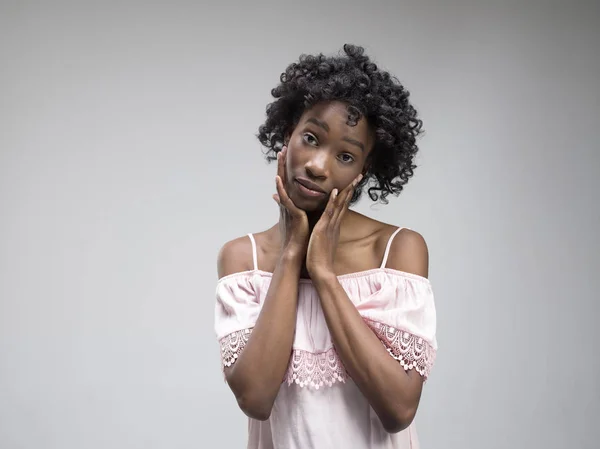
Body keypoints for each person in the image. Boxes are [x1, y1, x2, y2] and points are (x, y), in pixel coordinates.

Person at [214, 44, 437, 449]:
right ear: (288, 135)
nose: (318, 165)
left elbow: (398, 410)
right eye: (311, 138)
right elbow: (256, 398)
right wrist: (291, 256)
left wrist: (324, 274)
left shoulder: (396, 250)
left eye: (346, 155)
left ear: (364, 169)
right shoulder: (242, 258)